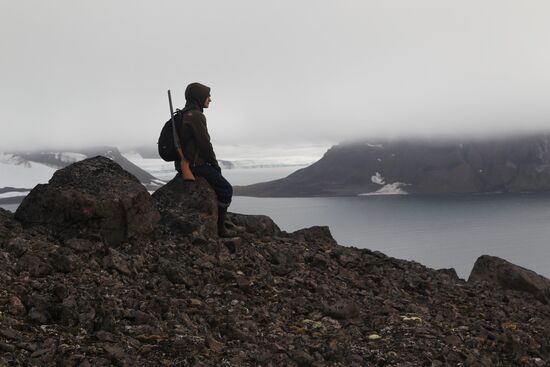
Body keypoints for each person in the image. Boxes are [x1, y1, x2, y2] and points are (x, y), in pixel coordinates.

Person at [174, 82, 237, 238]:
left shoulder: (183, 113)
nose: (210, 99)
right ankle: (221, 228)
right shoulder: (196, 116)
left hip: (187, 163)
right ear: (198, 97)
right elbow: (205, 145)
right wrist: (215, 165)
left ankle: (220, 220)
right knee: (226, 189)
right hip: (195, 165)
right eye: (207, 96)